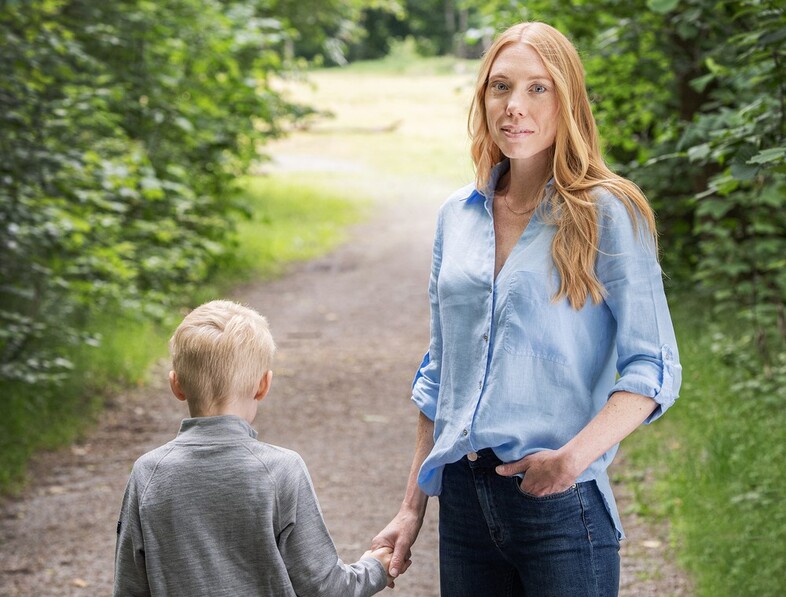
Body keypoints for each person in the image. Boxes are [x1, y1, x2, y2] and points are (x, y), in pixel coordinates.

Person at [371, 21, 682, 597]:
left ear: (568, 101)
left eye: (538, 88)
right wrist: (411, 509)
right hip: (463, 504)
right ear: (483, 98)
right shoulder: (457, 216)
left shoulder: (607, 213)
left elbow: (654, 368)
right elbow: (439, 376)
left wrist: (571, 460)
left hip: (559, 507)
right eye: (501, 87)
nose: (514, 105)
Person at [113, 299, 393, 597]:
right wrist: (375, 567)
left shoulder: (148, 473)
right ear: (263, 385)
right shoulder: (282, 470)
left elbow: (130, 588)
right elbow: (323, 587)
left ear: (176, 385)